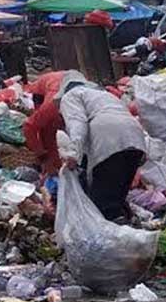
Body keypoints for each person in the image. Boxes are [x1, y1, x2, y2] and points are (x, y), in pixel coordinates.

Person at [57, 71, 147, 221]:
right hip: (135, 139)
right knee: (117, 195)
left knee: (102, 204)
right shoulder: (105, 95)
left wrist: (73, 154)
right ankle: (125, 231)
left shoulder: (71, 96)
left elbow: (77, 123)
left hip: (109, 139)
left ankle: (112, 238)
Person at [24, 71, 68, 175]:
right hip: (42, 88)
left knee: (50, 129)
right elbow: (29, 127)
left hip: (62, 83)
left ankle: (55, 166)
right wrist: (43, 158)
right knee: (47, 130)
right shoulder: (51, 107)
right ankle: (51, 166)